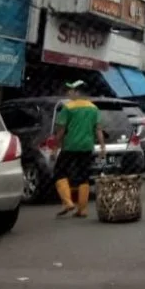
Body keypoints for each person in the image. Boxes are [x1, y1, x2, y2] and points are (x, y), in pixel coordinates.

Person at [53, 80, 105, 218]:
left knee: (59, 172)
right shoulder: (93, 108)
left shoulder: (68, 108)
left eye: (70, 90)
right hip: (87, 147)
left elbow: (61, 131)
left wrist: (54, 148)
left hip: (70, 146)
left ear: (77, 92)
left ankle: (68, 202)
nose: (68, 93)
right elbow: (98, 129)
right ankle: (82, 209)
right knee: (84, 176)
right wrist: (102, 147)